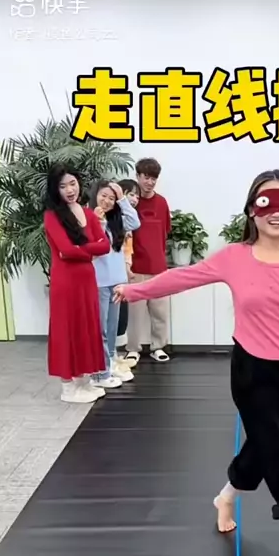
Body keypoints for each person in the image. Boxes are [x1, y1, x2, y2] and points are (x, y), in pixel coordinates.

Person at [113, 170, 279, 556]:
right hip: (251, 370)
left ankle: (226, 495)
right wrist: (134, 291)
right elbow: (184, 278)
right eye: (267, 202)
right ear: (252, 210)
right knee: (278, 446)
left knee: (265, 443)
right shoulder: (234, 257)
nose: (277, 212)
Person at [43, 164, 111, 404]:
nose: (70, 190)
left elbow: (105, 246)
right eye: (63, 186)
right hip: (66, 282)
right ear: (56, 189)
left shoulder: (89, 214)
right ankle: (68, 388)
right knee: (67, 329)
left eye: (72, 184)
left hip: (86, 279)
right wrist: (88, 250)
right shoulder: (52, 216)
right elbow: (64, 250)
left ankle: (82, 381)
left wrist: (80, 250)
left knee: (86, 327)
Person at [88, 179, 140, 389]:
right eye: (104, 196)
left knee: (111, 328)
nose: (107, 201)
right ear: (95, 196)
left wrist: (122, 199)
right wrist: (96, 221)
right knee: (100, 329)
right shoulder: (88, 219)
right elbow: (88, 244)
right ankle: (99, 372)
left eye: (111, 198)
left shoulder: (116, 221)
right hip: (98, 282)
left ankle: (109, 363)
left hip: (117, 282)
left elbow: (135, 222)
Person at [125, 158, 171, 364]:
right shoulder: (130, 203)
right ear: (138, 176)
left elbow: (166, 231)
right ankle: (133, 349)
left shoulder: (162, 203)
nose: (150, 182)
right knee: (135, 313)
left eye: (154, 178)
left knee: (160, 312)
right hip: (135, 267)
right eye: (146, 177)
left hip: (158, 267)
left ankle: (158, 347)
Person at [115, 179, 141, 360]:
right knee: (112, 318)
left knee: (120, 317)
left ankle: (114, 357)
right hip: (113, 275)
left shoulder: (126, 219)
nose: (135, 199)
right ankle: (110, 359)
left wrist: (127, 267)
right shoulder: (113, 218)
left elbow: (134, 222)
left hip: (122, 272)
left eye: (137, 197)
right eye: (131, 194)